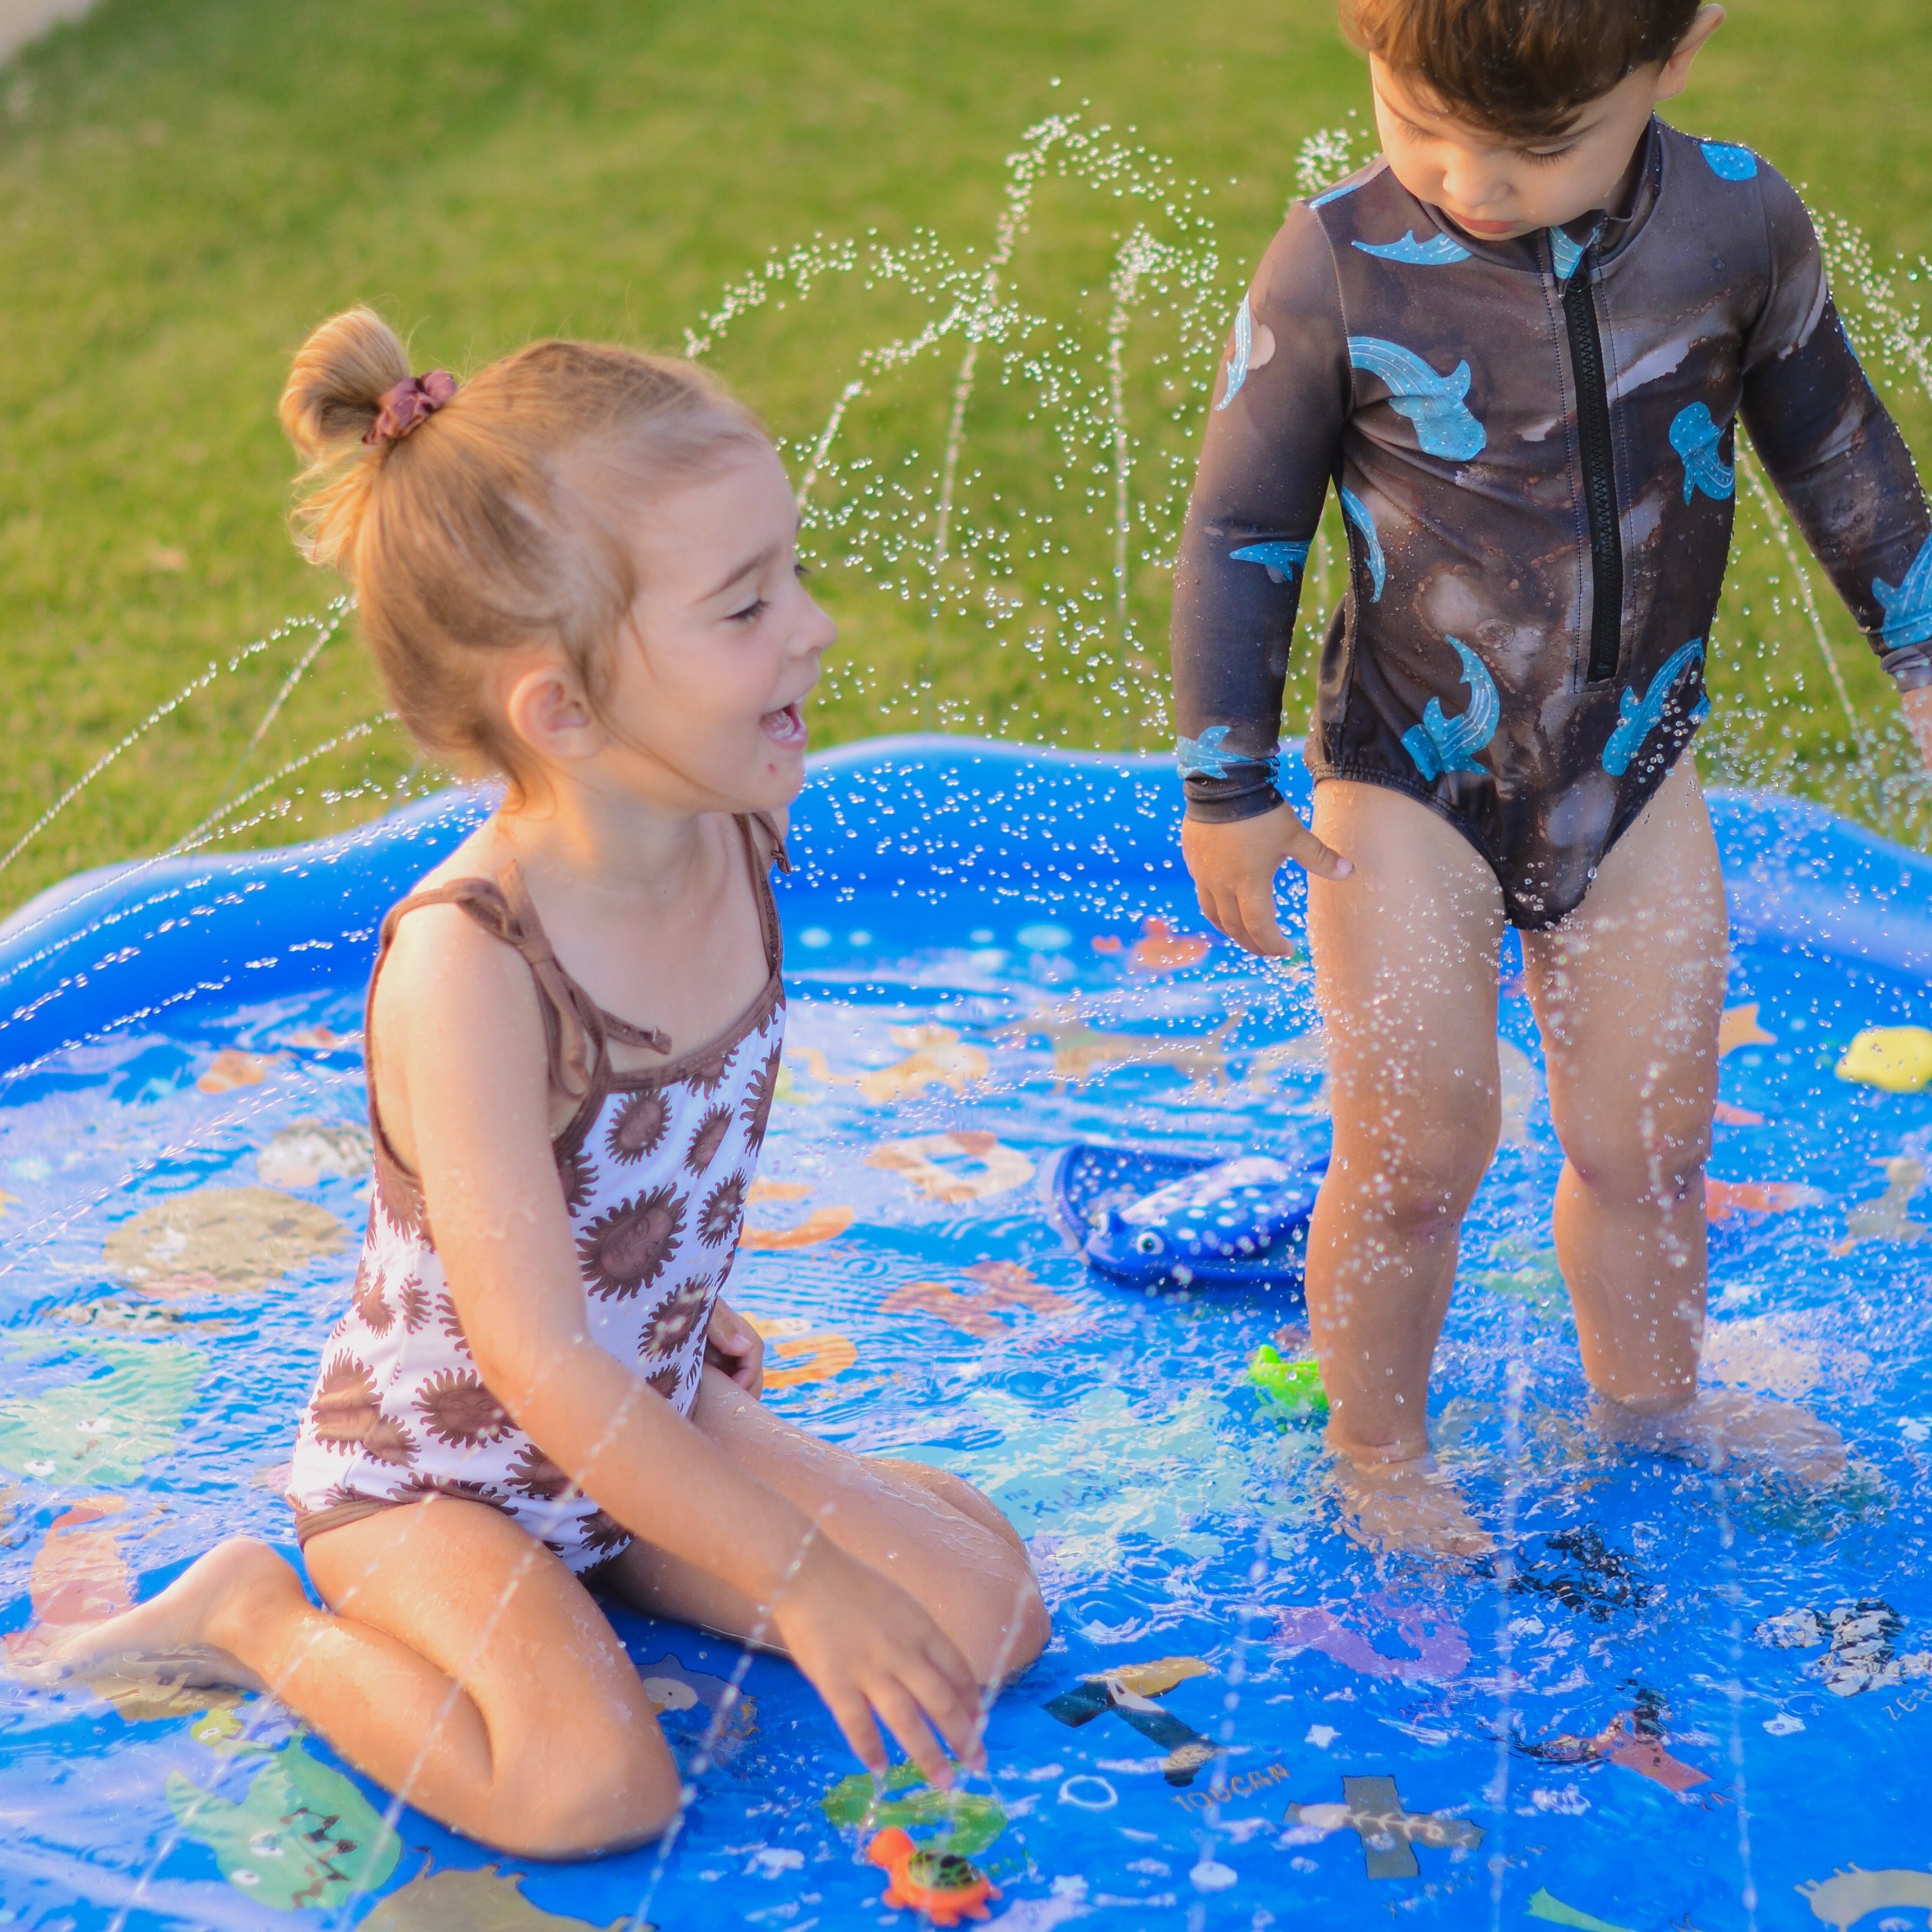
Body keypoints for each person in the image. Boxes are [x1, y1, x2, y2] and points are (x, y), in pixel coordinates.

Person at [37, 310, 1048, 1852]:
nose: (814, 629)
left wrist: (702, 1361)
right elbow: (539, 1364)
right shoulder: (475, 968)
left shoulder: (730, 822)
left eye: (791, 574)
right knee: (593, 1792)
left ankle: (682, 1537)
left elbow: (641, 1214)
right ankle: (254, 1621)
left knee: (986, 1618)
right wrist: (803, 1573)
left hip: (642, 1417)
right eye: (745, 606)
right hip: (437, 1490)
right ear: (562, 713)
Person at [1171, 0, 1932, 1553]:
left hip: (1632, 774)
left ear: (1679, 51)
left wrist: (1923, 657)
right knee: (1411, 1154)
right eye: (1416, 119)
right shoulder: (1339, 264)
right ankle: (1378, 1454)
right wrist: (1226, 786)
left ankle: (1651, 1404)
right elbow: (1237, 534)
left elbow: (1840, 457)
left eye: (1531, 148)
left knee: (1653, 1144)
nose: (1470, 180)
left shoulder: (1735, 226)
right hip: (1409, 780)